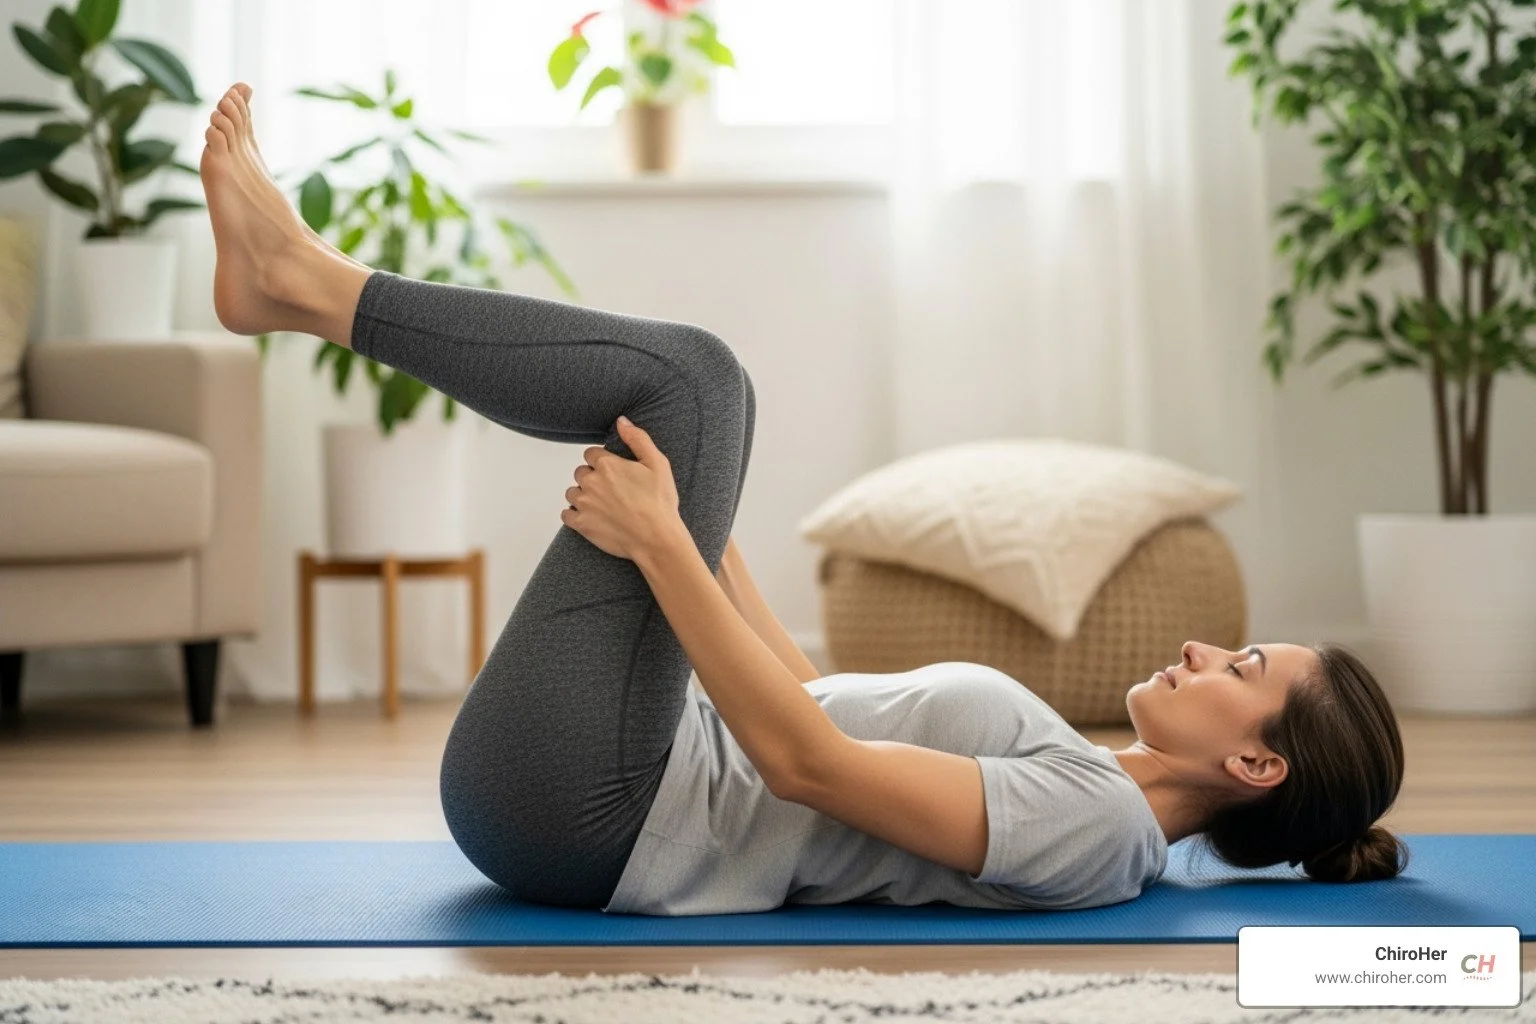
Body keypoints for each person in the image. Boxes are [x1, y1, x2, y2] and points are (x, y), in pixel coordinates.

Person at [199, 83, 1410, 916]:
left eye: (1244, 666)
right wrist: (698, 525)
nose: (1206, 650)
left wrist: (667, 547)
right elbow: (806, 695)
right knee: (693, 397)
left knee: (694, 379)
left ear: (1256, 763)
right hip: (617, 780)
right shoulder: (1087, 777)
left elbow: (804, 764)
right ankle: (298, 286)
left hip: (591, 815)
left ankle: (303, 278)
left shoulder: (1099, 831)